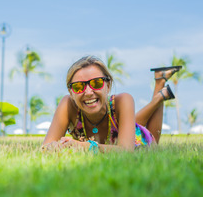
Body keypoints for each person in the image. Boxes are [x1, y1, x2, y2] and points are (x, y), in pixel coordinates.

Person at [42, 55, 181, 152]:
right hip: (119, 127)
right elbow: (45, 148)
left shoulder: (123, 100)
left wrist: (84, 146)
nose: (89, 92)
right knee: (124, 123)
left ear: (108, 86)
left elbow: (125, 152)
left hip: (140, 140)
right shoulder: (67, 104)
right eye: (78, 87)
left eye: (97, 83)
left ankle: (159, 96)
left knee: (154, 138)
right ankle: (160, 84)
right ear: (71, 91)